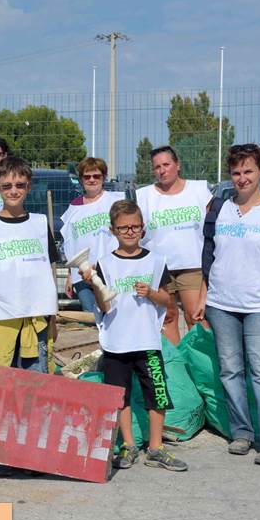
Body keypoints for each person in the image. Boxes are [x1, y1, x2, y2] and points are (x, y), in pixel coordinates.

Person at [193, 144, 260, 467]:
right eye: (236, 172)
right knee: (230, 371)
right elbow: (210, 258)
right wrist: (203, 297)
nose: (242, 178)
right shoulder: (219, 209)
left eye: (248, 171)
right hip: (221, 303)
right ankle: (241, 432)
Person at [87, 200, 187, 472]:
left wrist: (151, 293)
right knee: (120, 396)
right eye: (123, 228)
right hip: (116, 343)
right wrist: (95, 285)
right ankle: (128, 444)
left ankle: (156, 447)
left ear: (143, 228)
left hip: (148, 342)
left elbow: (167, 300)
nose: (130, 232)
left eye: (135, 227)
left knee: (157, 394)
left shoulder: (156, 261)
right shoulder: (104, 264)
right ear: (113, 230)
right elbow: (104, 306)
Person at [0, 156, 59, 371]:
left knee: (38, 379)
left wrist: (53, 319)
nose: (14, 191)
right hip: (1, 317)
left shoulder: (40, 223)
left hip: (38, 316)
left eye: (20, 185)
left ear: (28, 186)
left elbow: (48, 274)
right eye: (7, 186)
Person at [136, 145, 212, 345]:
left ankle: (202, 360)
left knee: (196, 317)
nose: (162, 170)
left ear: (177, 165)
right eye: (157, 167)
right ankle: (175, 360)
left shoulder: (198, 190)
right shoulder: (144, 196)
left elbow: (213, 225)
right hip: (159, 267)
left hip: (192, 265)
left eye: (166, 164)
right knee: (167, 317)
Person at [60, 157, 125, 314]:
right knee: (91, 316)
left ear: (104, 177)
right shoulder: (74, 207)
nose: (92, 180)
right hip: (82, 274)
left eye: (96, 176)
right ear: (81, 179)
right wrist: (70, 275)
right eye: (87, 176)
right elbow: (70, 244)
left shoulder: (116, 201)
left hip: (111, 270)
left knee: (113, 313)